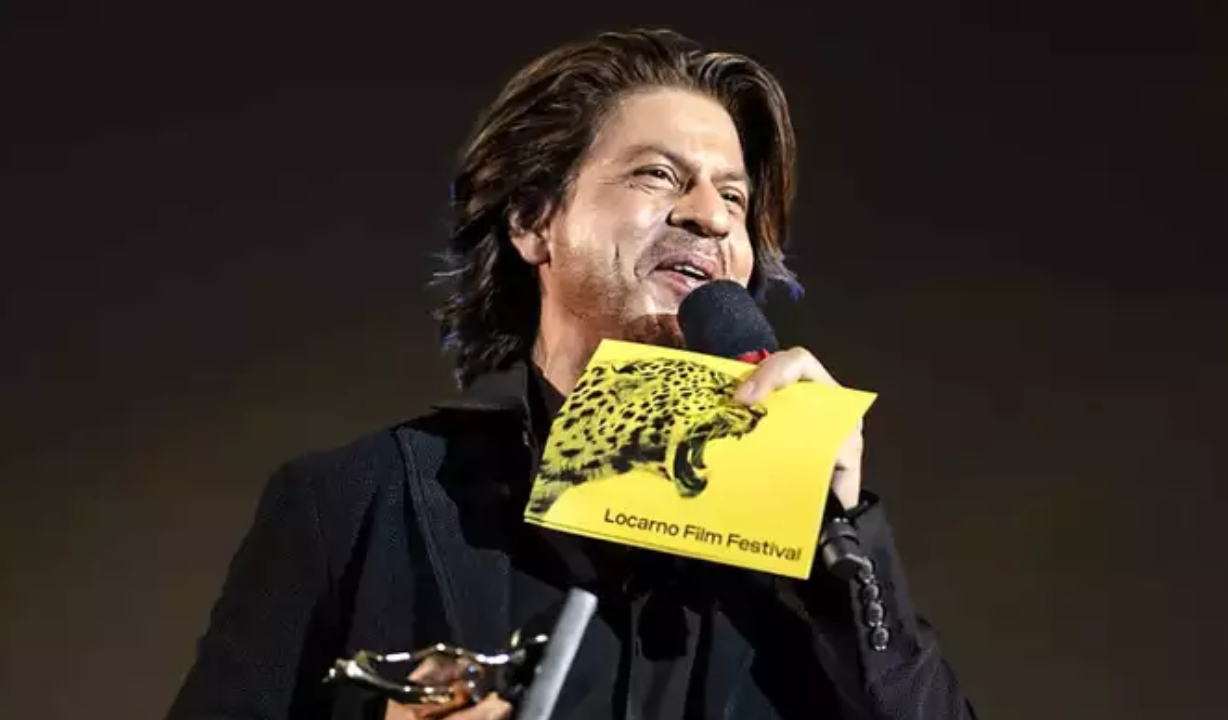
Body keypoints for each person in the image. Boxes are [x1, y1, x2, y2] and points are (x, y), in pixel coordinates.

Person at [165, 28, 977, 720]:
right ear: (532, 221)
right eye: (658, 175)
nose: (711, 214)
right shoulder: (353, 505)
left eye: (733, 196)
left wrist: (841, 539)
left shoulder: (807, 561)